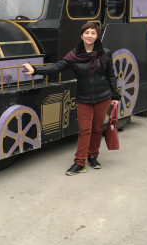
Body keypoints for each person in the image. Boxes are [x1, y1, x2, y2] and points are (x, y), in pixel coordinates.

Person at [22, 22, 121, 175]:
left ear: (97, 36)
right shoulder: (74, 55)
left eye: (93, 33)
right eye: (87, 32)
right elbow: (56, 67)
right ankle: (80, 162)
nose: (89, 36)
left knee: (97, 129)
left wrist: (115, 96)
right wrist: (35, 70)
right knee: (84, 130)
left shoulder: (105, 53)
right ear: (82, 35)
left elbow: (111, 75)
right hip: (84, 98)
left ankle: (93, 156)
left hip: (103, 97)